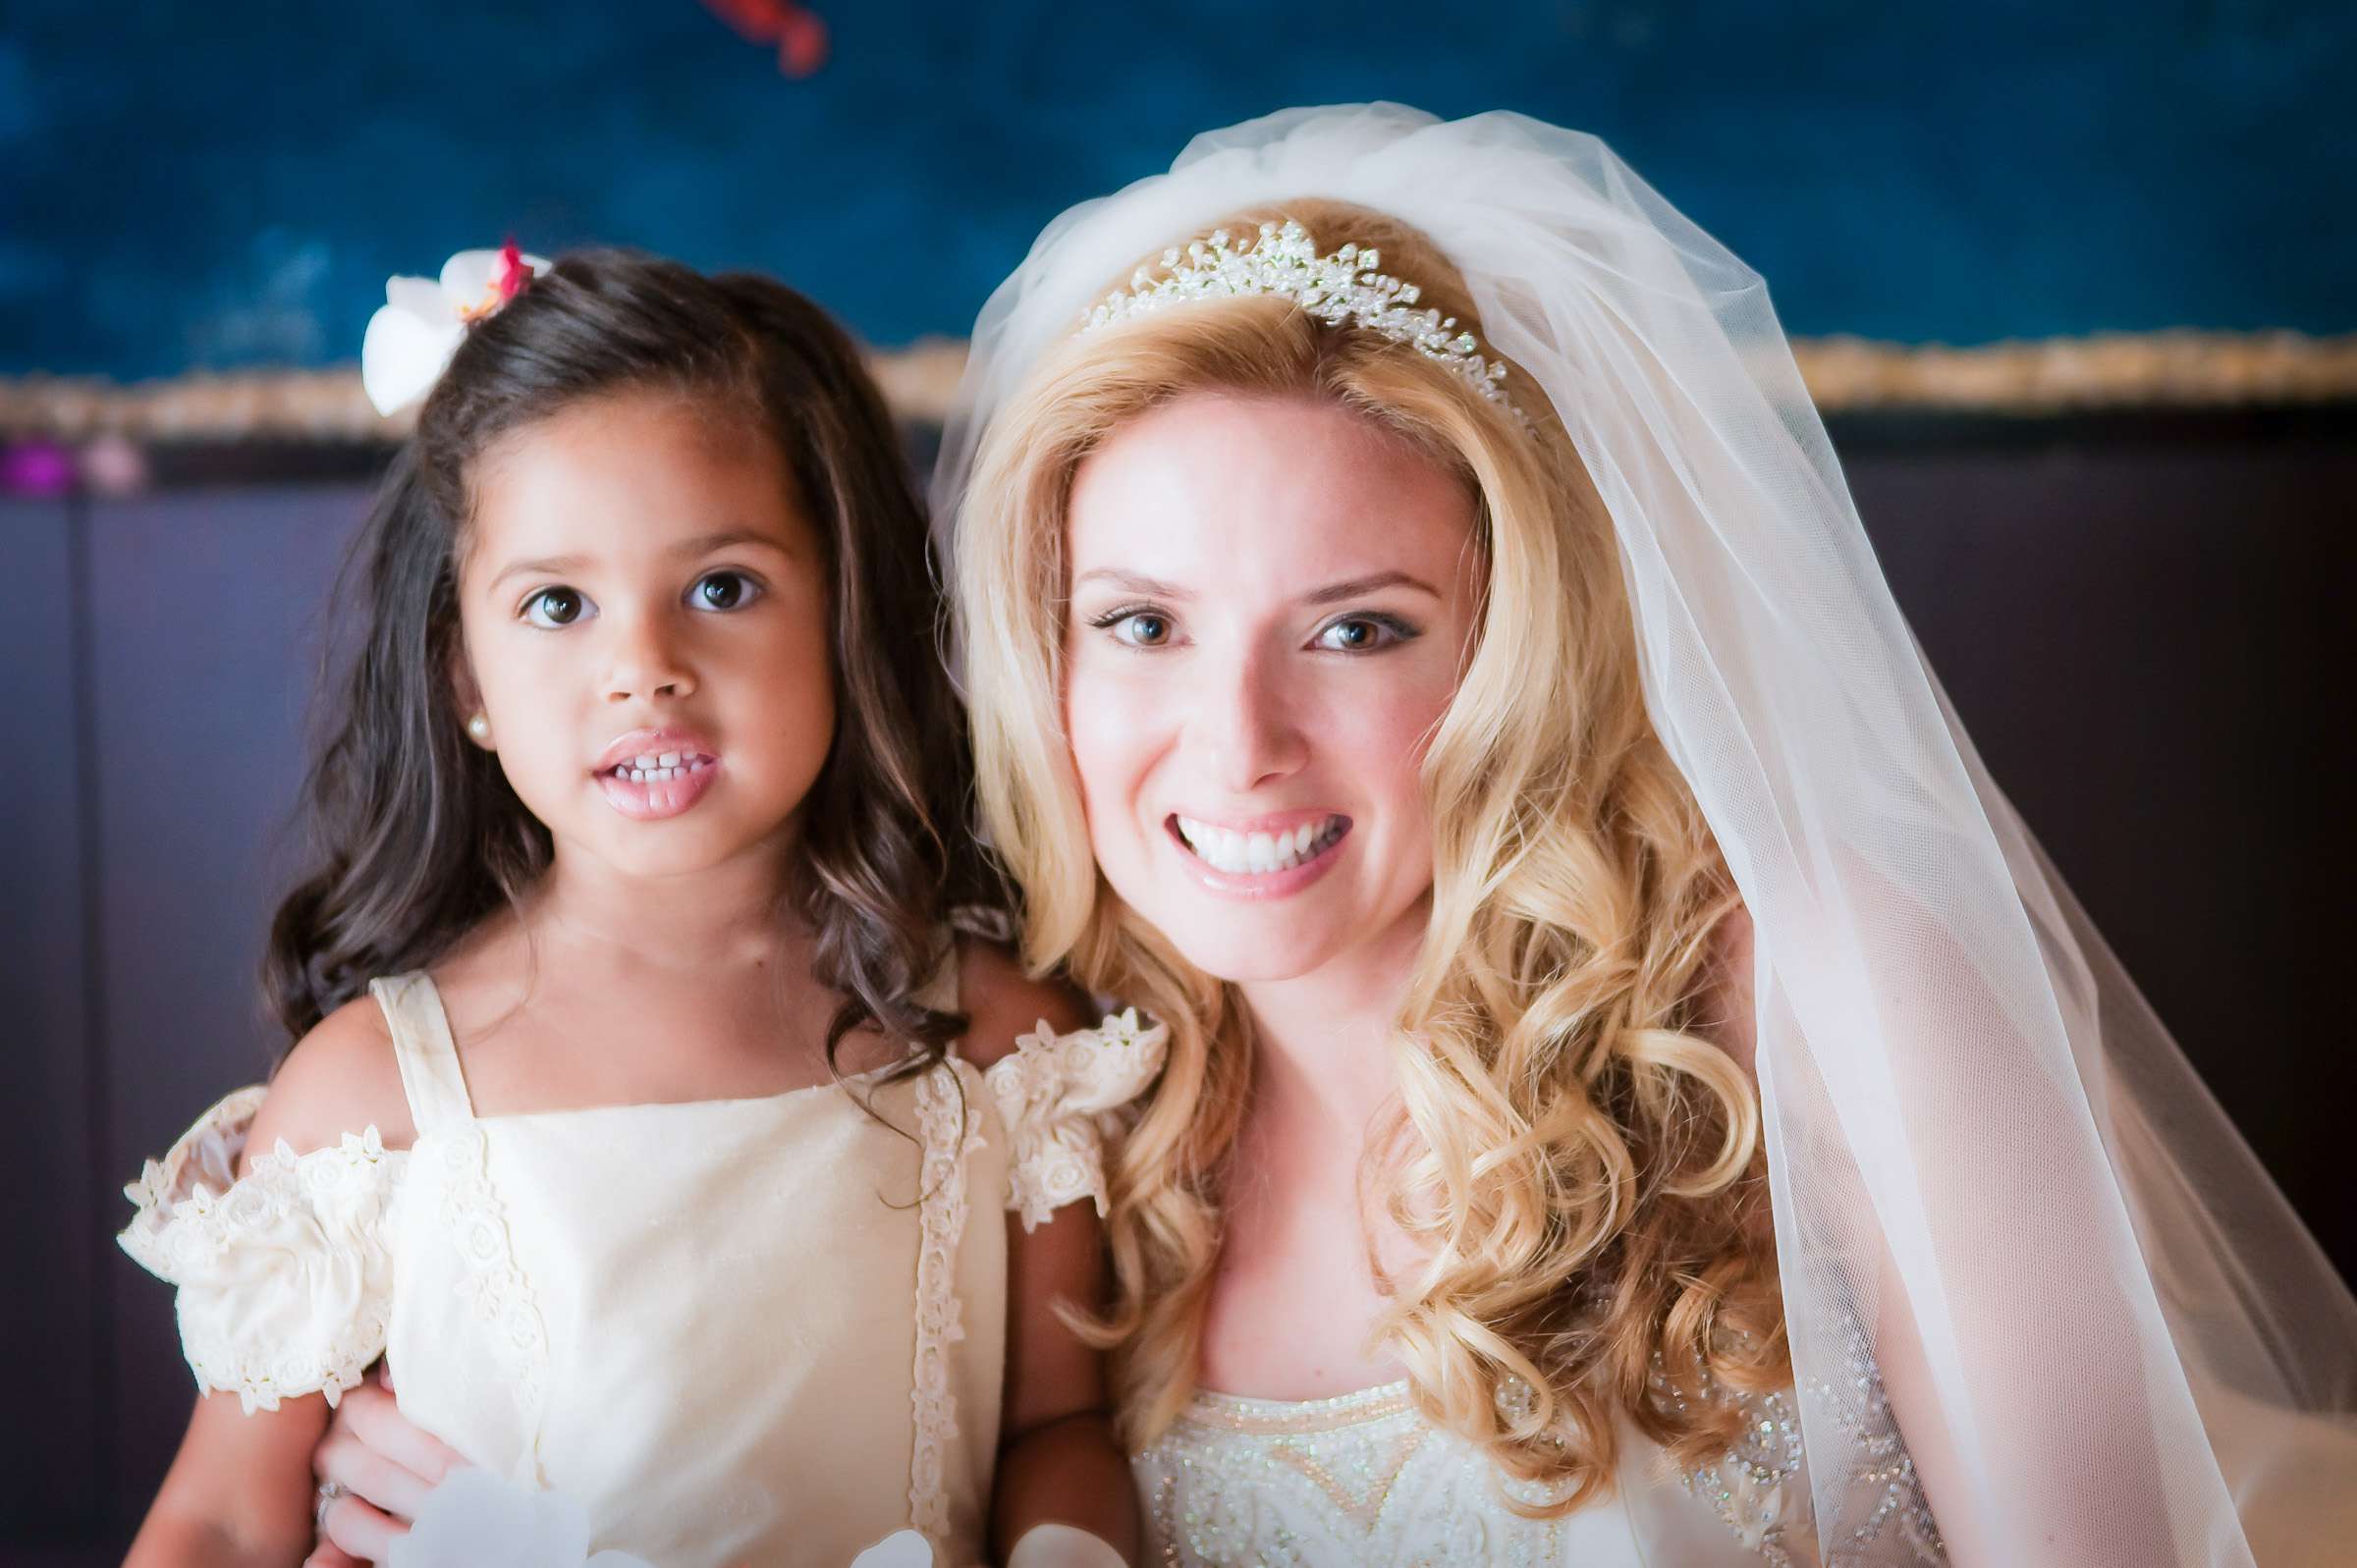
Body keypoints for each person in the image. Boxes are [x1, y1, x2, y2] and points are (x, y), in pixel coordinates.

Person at [307, 109, 2357, 1565]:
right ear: (1045, 651)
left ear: (1518, 644)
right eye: (1142, 627)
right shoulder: (1031, 1083)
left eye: (1358, 631)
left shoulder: (1823, 993)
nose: (1241, 746)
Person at [116, 244, 1146, 1568]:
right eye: (557, 603)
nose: (644, 668)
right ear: (465, 678)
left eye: (722, 587)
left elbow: (1061, 1424)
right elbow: (221, 1514)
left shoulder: (999, 1040)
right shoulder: (369, 1095)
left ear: (840, 615)